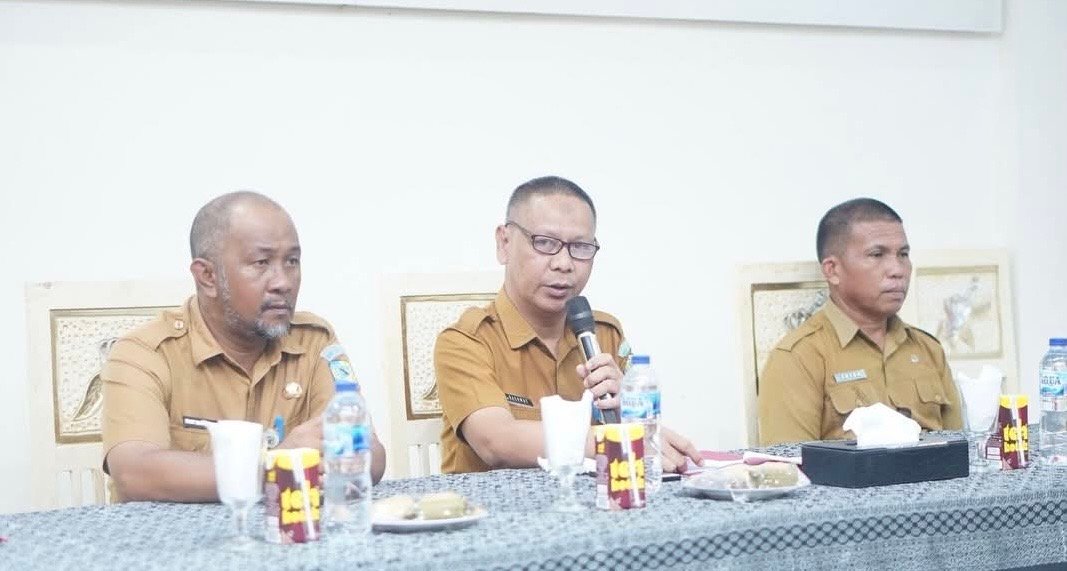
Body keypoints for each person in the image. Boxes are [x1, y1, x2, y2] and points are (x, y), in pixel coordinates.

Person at [101, 191, 386, 502]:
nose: (283, 282)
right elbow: (134, 473)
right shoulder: (145, 353)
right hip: (169, 534)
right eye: (261, 263)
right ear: (208, 276)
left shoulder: (313, 341)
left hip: (287, 530)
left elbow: (370, 454)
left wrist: (346, 457)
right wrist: (278, 464)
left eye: (292, 261)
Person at [435, 175, 702, 474]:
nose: (564, 263)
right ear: (504, 243)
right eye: (545, 243)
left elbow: (640, 448)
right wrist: (617, 440)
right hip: (492, 503)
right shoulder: (465, 341)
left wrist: (628, 412)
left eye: (580, 247)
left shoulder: (604, 334)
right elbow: (496, 442)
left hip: (592, 500)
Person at [757, 198, 963, 445]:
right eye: (877, 255)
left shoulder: (927, 349)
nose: (897, 270)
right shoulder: (799, 358)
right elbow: (791, 463)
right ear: (833, 270)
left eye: (903, 254)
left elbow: (960, 452)